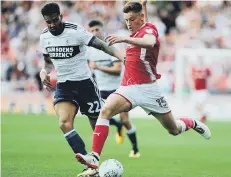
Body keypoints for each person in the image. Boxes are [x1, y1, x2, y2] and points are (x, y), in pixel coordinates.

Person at [75, 1, 211, 169]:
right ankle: (94, 157)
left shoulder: (148, 30)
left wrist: (125, 38)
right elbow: (140, 20)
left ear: (140, 17)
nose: (129, 24)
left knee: (173, 129)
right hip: (128, 88)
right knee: (105, 111)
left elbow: (150, 42)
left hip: (149, 90)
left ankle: (193, 123)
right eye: (126, 20)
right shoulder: (138, 27)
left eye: (132, 19)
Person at [39, 3, 123, 176]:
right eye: (49, 22)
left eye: (55, 20)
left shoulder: (76, 31)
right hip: (64, 85)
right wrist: (44, 72)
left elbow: (101, 45)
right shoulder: (44, 37)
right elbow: (48, 63)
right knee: (64, 123)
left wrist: (122, 57)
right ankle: (88, 162)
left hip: (85, 84)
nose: (53, 24)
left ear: (60, 17)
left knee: (96, 124)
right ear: (45, 21)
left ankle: (95, 158)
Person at [87, 20, 140, 158]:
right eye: (91, 31)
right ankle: (118, 126)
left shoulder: (111, 46)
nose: (94, 33)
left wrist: (98, 67)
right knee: (101, 116)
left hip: (117, 89)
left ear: (102, 29)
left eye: (96, 30)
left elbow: (117, 69)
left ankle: (135, 148)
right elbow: (90, 69)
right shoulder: (90, 50)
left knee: (124, 119)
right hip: (101, 89)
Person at [189, 57, 211, 123]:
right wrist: (192, 86)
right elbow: (191, 78)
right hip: (196, 90)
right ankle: (203, 115)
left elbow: (209, 78)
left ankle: (203, 115)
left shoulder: (206, 70)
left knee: (200, 104)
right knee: (196, 105)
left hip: (203, 90)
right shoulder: (194, 70)